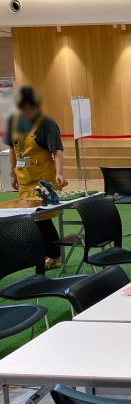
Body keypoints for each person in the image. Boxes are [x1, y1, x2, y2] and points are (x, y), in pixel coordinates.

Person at [5, 86, 68, 268]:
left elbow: (57, 151)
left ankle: (54, 255)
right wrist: (12, 174)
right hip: (24, 178)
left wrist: (59, 173)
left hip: (42, 179)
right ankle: (43, 254)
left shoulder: (46, 123)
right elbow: (12, 148)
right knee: (29, 219)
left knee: (41, 218)